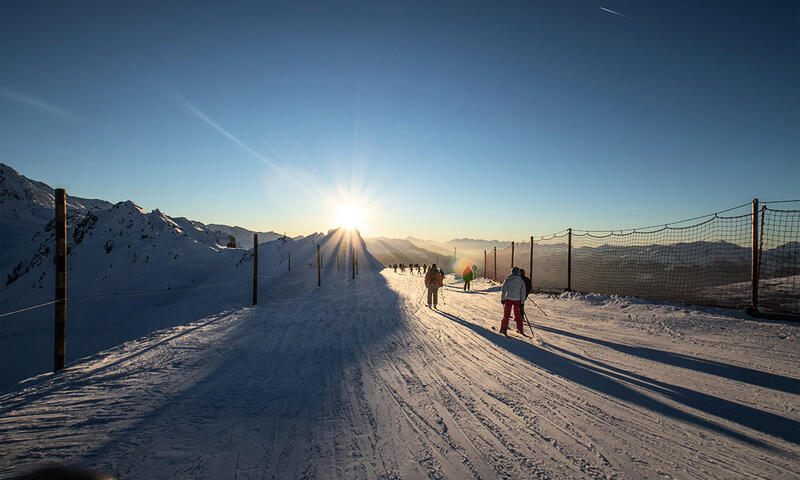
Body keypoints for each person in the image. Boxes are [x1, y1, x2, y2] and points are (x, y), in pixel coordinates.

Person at [499, 267, 527, 336]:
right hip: (517, 300)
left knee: (506, 314)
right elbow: (523, 292)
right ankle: (520, 329)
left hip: (508, 299)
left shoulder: (508, 280)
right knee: (518, 315)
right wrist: (522, 302)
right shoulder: (521, 281)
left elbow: (504, 290)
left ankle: (503, 329)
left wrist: (502, 298)